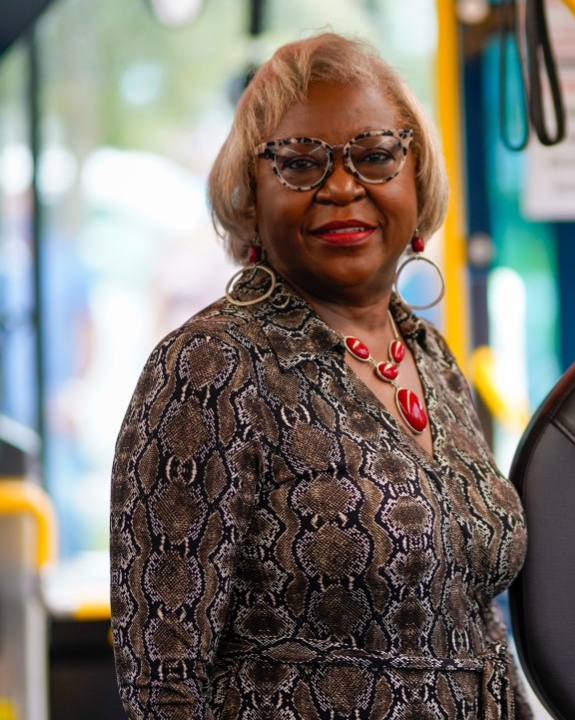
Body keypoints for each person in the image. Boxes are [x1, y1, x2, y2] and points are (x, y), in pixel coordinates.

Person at [110, 33, 528, 719]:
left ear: (417, 178)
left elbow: (479, 631)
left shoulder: (431, 356)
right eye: (301, 163)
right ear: (251, 196)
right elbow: (164, 681)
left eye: (375, 156)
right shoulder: (213, 367)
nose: (341, 186)